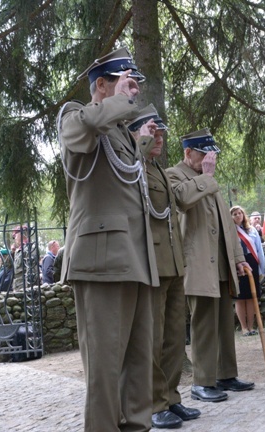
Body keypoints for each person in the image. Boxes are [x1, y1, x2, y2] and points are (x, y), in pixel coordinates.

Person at [57, 47, 159, 431]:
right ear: (101, 84)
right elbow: (81, 131)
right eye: (123, 78)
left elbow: (130, 176)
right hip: (101, 262)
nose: (132, 86)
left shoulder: (118, 131)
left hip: (133, 258)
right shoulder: (75, 116)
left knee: (138, 364)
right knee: (103, 369)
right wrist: (119, 101)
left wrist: (142, 138)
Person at [166, 128, 254, 404]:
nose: (209, 160)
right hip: (196, 262)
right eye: (204, 154)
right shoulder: (174, 174)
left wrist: (239, 259)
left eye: (211, 155)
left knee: (224, 322)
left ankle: (225, 374)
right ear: (188, 152)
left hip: (221, 262)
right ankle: (202, 382)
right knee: (203, 323)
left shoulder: (208, 179)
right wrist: (206, 177)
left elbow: (227, 224)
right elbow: (182, 200)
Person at [128, 105, 201, 429]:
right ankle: (154, 404)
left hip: (172, 264)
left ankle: (171, 397)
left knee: (174, 338)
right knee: (153, 340)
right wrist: (140, 145)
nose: (158, 138)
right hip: (152, 266)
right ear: (138, 134)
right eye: (151, 133)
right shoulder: (133, 167)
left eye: (160, 134)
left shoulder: (158, 169)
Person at [230, 205, 265, 336]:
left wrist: (261, 268)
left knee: (251, 296)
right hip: (237, 263)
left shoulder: (252, 230)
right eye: (234, 214)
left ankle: (251, 326)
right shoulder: (229, 231)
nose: (238, 215)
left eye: (240, 213)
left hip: (252, 262)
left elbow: (259, 250)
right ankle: (244, 327)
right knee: (240, 297)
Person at [11, 225, 38, 292]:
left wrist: (28, 289)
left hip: (25, 289)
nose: (15, 239)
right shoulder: (19, 250)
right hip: (18, 287)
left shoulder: (30, 248)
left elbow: (32, 270)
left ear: (21, 234)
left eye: (15, 236)